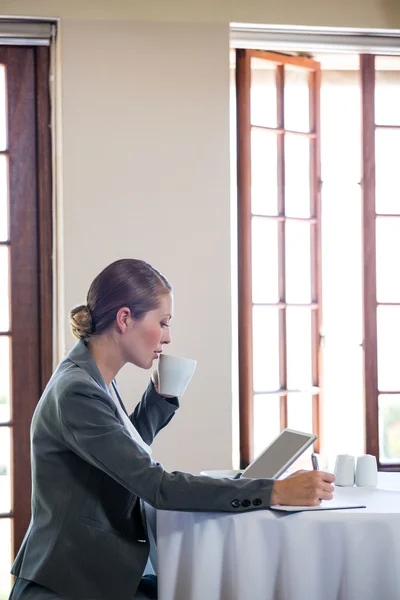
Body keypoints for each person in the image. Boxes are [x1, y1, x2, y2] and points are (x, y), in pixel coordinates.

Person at [9, 258, 335, 600]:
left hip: (89, 574)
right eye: (162, 322)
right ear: (124, 319)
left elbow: (117, 455)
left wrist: (160, 397)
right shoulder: (79, 390)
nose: (168, 336)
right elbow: (155, 485)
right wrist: (274, 492)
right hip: (66, 583)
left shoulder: (90, 376)